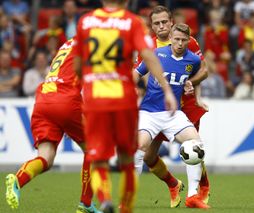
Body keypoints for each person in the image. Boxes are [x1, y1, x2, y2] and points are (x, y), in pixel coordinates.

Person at [73, 1, 177, 213]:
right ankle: (125, 208)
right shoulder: (131, 22)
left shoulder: (85, 22)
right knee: (128, 159)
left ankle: (105, 199)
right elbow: (149, 55)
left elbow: (77, 65)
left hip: (95, 98)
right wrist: (167, 90)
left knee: (99, 158)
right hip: (123, 99)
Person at [5, 39, 100, 213]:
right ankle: (85, 204)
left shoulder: (69, 43)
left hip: (43, 99)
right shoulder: (91, 41)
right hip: (65, 98)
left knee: (45, 158)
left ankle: (18, 181)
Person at [134, 5, 210, 209]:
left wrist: (192, 86)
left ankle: (201, 189)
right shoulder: (149, 47)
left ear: (171, 22)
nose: (161, 26)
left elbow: (202, 71)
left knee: (194, 147)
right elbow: (137, 74)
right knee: (148, 156)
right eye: (156, 23)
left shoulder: (188, 41)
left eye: (164, 22)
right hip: (155, 106)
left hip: (183, 105)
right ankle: (173, 184)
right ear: (151, 26)